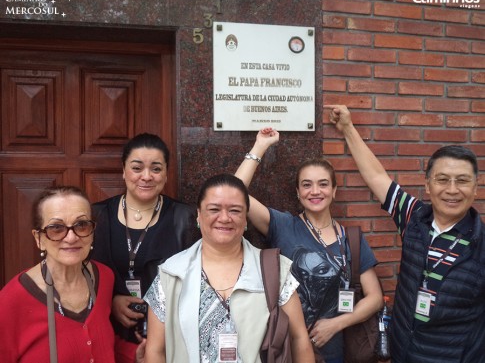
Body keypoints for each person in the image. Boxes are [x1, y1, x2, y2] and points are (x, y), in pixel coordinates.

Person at [326, 104, 485, 363]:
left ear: (475, 188)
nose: (452, 190)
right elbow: (376, 177)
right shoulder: (414, 218)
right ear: (428, 184)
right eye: (443, 179)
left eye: (463, 181)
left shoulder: (481, 244)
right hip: (402, 353)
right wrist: (347, 128)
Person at [235, 128, 383, 363]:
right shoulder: (283, 225)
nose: (315, 191)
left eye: (323, 184)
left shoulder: (351, 238)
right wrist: (260, 146)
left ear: (334, 191)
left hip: (335, 351)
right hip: (287, 348)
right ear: (298, 192)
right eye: (307, 185)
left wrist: (335, 324)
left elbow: (374, 298)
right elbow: (235, 193)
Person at [143, 173, 315, 362]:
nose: (224, 218)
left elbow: (299, 339)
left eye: (234, 210)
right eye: (214, 209)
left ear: (246, 219)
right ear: (199, 215)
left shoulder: (276, 270)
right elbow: (155, 350)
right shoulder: (170, 274)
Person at [0, 185, 145, 362]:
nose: (71, 237)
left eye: (81, 225)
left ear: (92, 232)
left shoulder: (104, 277)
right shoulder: (11, 301)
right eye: (56, 228)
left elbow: (102, 344)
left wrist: (133, 355)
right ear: (39, 238)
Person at [92, 133, 197, 363]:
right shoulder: (97, 217)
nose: (146, 176)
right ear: (123, 170)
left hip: (169, 338)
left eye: (156, 169)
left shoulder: (185, 218)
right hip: (109, 335)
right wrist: (109, 301)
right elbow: (80, 276)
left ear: (167, 173)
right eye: (137, 168)